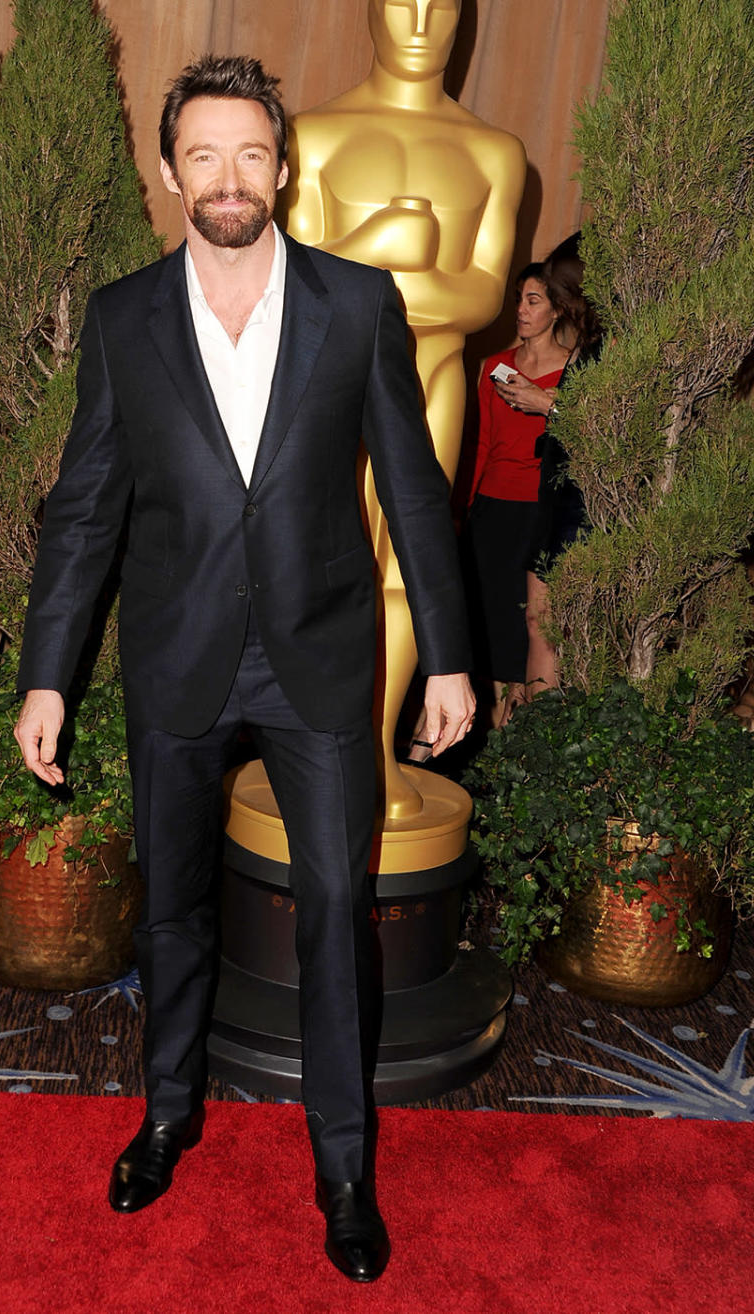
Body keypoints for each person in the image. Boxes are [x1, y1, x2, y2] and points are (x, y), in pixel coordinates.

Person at [13, 55, 476, 1285]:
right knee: (171, 912)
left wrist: (447, 653)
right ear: (172, 176)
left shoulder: (358, 305)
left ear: (284, 169)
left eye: (251, 154)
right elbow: (83, 513)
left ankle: (342, 1164)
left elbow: (416, 495)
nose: (228, 177)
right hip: (175, 661)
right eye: (203, 155)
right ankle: (168, 1114)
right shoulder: (122, 320)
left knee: (335, 914)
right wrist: (47, 674)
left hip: (323, 661)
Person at [286, 0, 524, 814]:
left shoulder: (493, 153)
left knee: (404, 573)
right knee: (314, 561)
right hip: (325, 382)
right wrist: (392, 236)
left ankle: (373, 758)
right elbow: (294, 285)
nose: (420, 20)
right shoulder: (312, 136)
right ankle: (310, 753)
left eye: (441, 3)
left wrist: (369, 269)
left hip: (433, 381)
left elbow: (480, 297)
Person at [495, 234, 603, 697]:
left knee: (553, 628)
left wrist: (547, 404)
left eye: (554, 292)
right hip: (555, 494)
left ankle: (543, 741)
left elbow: (613, 423)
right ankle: (533, 740)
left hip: (581, 504)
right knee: (538, 622)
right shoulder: (591, 341)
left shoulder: (608, 342)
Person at [463, 263, 570, 725]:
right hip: (492, 508)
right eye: (519, 299)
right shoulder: (494, 367)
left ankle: (535, 732)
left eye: (534, 301)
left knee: (538, 625)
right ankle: (501, 732)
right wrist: (466, 510)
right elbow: (482, 442)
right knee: (495, 624)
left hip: (543, 508)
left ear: (557, 310)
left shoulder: (574, 369)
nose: (522, 311)